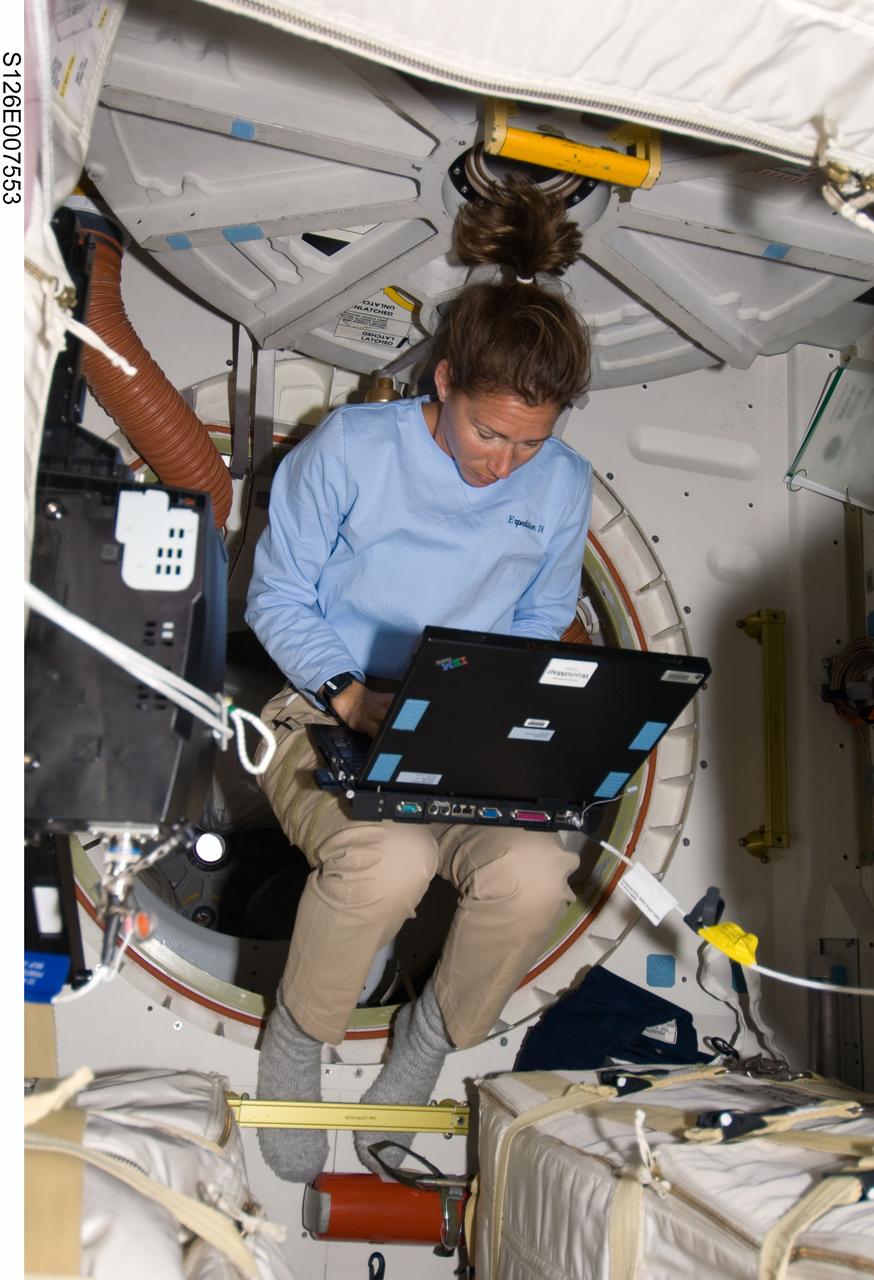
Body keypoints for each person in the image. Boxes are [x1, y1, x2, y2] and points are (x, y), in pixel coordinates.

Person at [245, 175, 593, 1183]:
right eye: (490, 432)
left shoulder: (558, 484)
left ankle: (426, 1044)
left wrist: (530, 723)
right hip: (325, 710)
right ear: (442, 383)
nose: (505, 464)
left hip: (462, 735)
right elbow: (275, 598)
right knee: (386, 864)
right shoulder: (351, 449)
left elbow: (537, 620)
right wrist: (351, 691)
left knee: (534, 874)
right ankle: (299, 1040)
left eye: (532, 442)